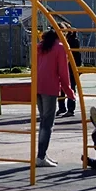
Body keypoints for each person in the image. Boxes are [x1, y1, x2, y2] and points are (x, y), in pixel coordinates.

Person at [36, 29, 75, 167]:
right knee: (47, 123)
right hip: (50, 87)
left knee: (43, 121)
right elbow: (63, 71)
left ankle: (41, 155)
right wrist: (69, 92)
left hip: (37, 86)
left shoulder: (40, 46)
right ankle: (41, 156)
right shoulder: (59, 47)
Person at [57, 23, 81, 118]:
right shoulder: (58, 41)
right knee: (60, 88)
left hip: (71, 67)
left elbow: (77, 55)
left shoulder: (72, 40)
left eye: (61, 30)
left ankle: (71, 109)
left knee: (70, 87)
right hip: (61, 67)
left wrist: (77, 68)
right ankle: (62, 107)